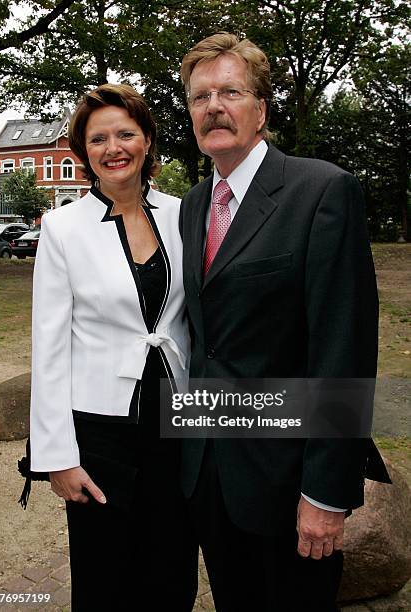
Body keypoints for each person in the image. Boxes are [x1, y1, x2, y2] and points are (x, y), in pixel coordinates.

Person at [179, 33, 390, 611]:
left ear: (261, 110)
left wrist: (325, 492)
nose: (213, 107)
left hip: (288, 478)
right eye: (199, 97)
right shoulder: (195, 203)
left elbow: (343, 349)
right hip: (210, 472)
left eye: (230, 92)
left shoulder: (322, 190)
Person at [29, 83, 198, 611]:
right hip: (100, 430)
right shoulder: (62, 228)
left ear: (147, 140)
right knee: (106, 578)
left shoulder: (185, 213)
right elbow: (50, 346)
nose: (113, 147)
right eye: (98, 138)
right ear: (83, 153)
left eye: (126, 133)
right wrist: (57, 457)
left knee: (171, 571)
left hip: (178, 422)